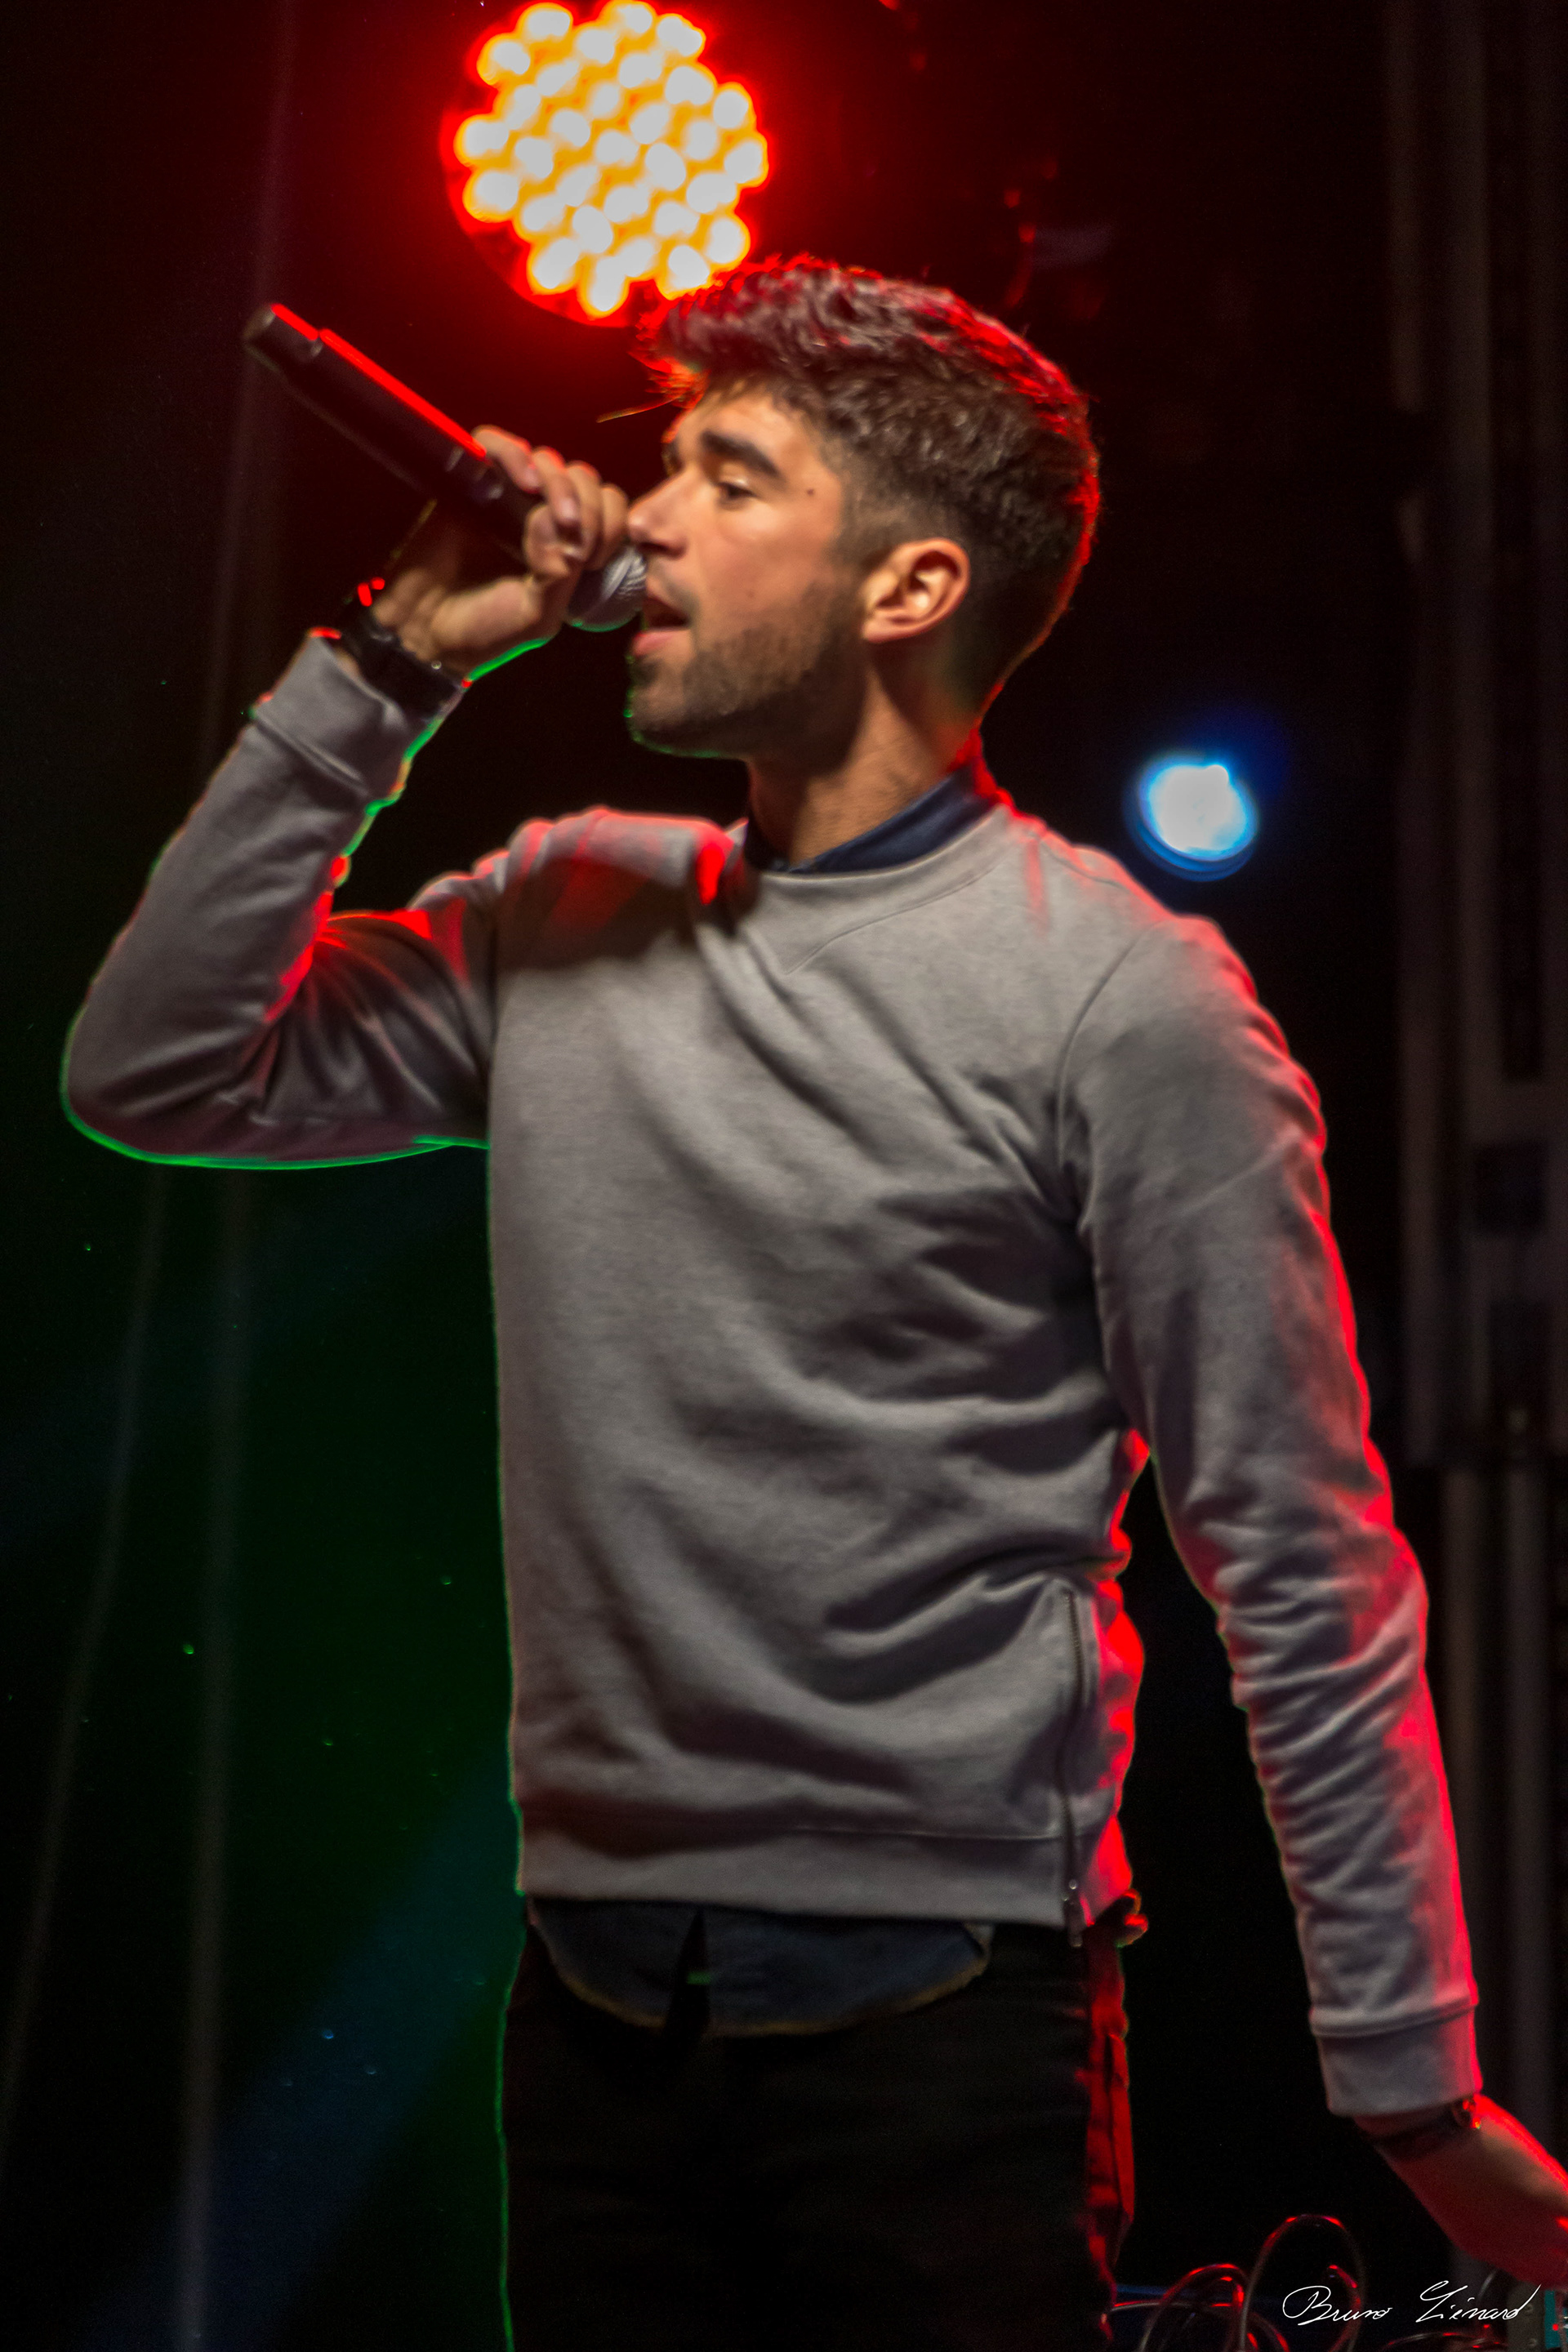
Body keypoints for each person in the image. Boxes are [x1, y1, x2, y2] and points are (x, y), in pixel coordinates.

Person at [64, 258, 1568, 2349]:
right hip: (594, 2008)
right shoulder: (567, 906)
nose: (646, 519)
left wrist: (1410, 2085)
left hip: (945, 2021)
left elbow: (1302, 1562)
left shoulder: (1123, 1003)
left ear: (909, 586)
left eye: (732, 475)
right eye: (666, 464)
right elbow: (151, 1070)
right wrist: (388, 661)